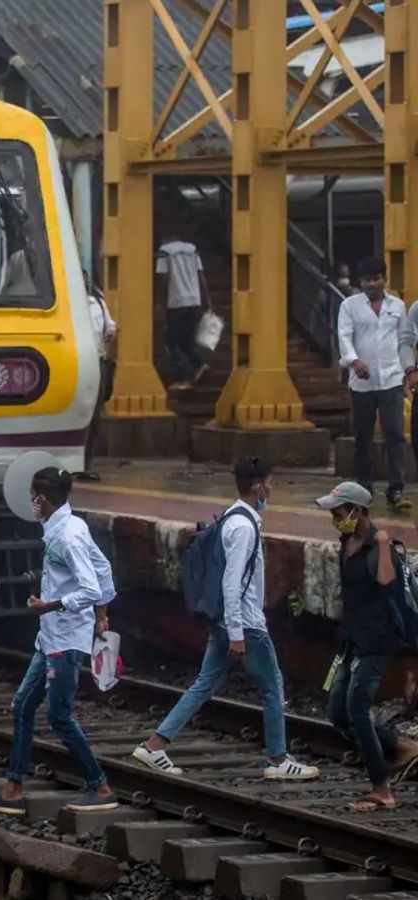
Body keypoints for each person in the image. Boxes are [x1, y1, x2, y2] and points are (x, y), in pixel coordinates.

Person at [131, 458, 320, 780]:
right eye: (271, 484)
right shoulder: (243, 527)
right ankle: (278, 760)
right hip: (244, 623)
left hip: (226, 620)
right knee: (273, 687)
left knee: (205, 682)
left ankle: (154, 745)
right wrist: (237, 632)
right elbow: (232, 583)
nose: (271, 490)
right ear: (259, 485)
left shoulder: (233, 516)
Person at [0, 468, 117, 815]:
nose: (30, 503)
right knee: (22, 706)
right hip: (50, 637)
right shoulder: (65, 526)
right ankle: (13, 790)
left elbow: (91, 587)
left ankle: (100, 788)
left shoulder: (68, 536)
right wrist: (101, 617)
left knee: (59, 717)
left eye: (32, 496)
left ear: (42, 499)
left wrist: (47, 605)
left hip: (65, 641)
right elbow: (105, 568)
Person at [316, 482, 418, 811]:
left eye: (339, 512)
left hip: (376, 643)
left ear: (358, 512)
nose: (335, 518)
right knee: (338, 712)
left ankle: (382, 788)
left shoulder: (378, 545)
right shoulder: (348, 542)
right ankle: (403, 746)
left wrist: (385, 544)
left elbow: (387, 585)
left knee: (357, 709)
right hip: (351, 641)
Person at [337, 257, 415, 511]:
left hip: (391, 379)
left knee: (395, 435)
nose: (372, 284)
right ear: (360, 282)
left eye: (376, 278)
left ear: (385, 278)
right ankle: (364, 488)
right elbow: (344, 336)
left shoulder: (398, 306)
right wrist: (354, 361)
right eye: (367, 280)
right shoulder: (350, 306)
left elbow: (404, 340)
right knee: (363, 437)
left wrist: (408, 370)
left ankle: (396, 489)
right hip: (362, 384)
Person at [155, 234, 209, 391]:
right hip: (194, 300)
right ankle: (200, 365)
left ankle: (182, 379)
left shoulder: (165, 251)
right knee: (186, 341)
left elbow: (163, 277)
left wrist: (160, 302)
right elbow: (200, 276)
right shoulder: (192, 249)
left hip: (177, 302)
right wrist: (207, 299)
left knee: (171, 343)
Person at [79, 271, 117, 481]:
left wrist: (110, 334)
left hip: (98, 361)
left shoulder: (98, 303)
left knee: (95, 416)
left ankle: (85, 463)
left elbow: (110, 326)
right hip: (78, 362)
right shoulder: (68, 305)